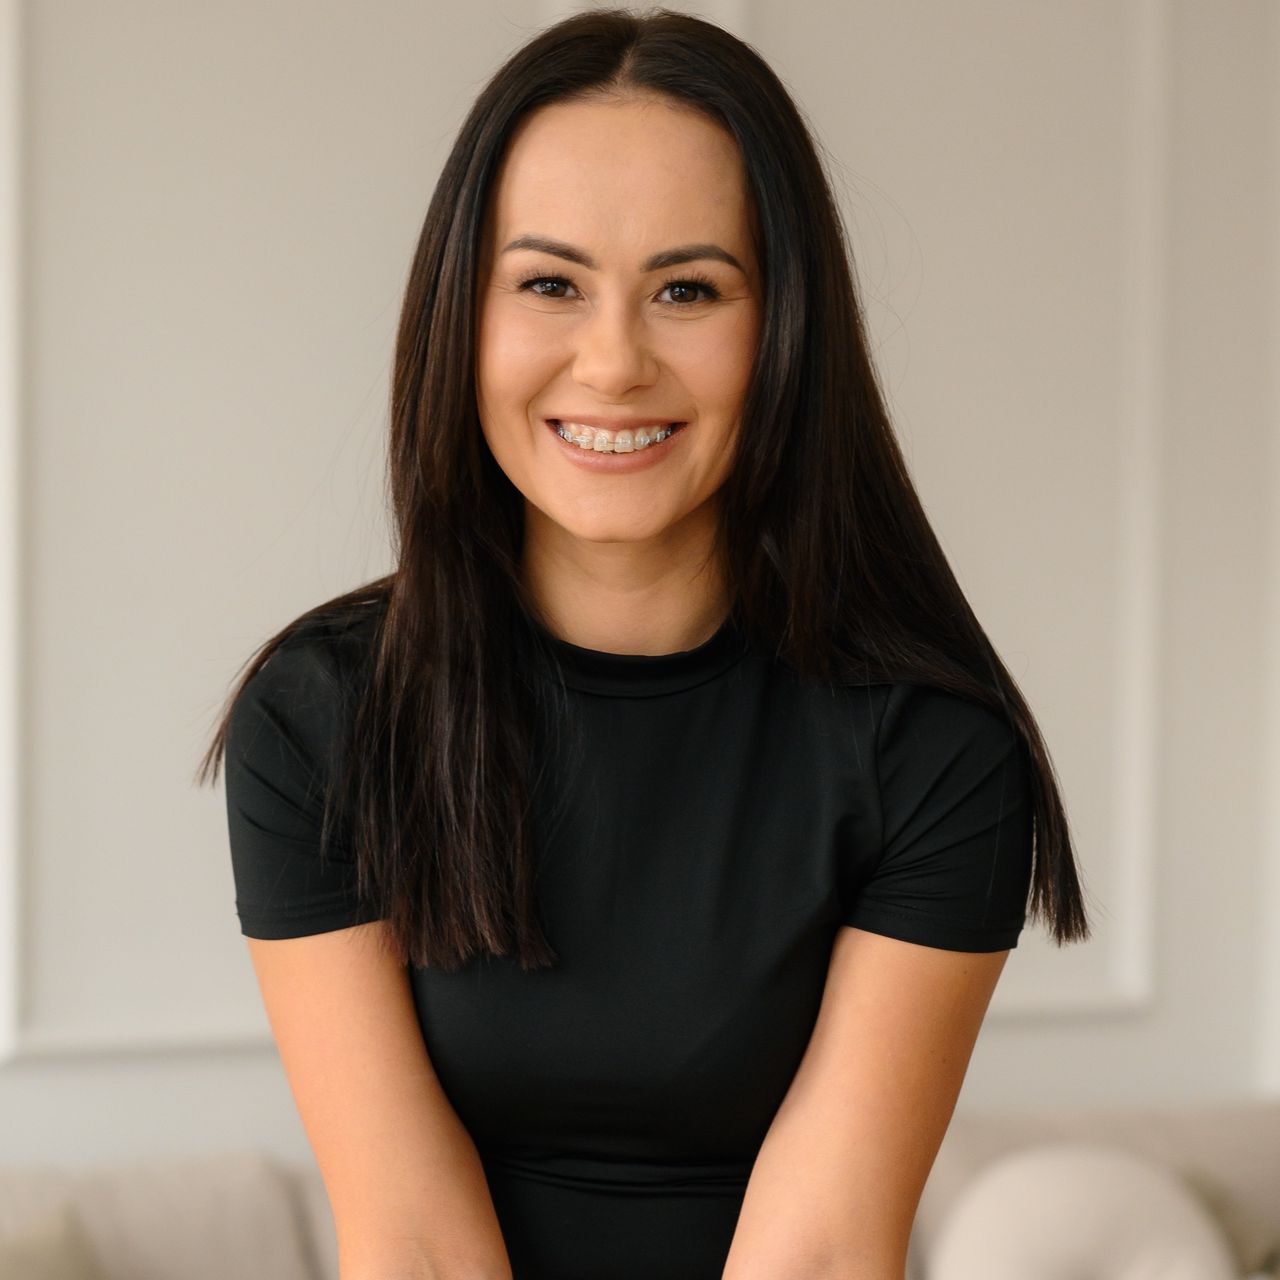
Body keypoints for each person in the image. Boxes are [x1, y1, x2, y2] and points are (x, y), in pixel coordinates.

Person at [197, 8, 1091, 1279]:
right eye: (549, 283)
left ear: (782, 330)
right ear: (462, 316)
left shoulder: (933, 749)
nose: (612, 362)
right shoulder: (323, 715)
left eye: (686, 289)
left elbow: (823, 1251)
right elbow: (410, 1243)